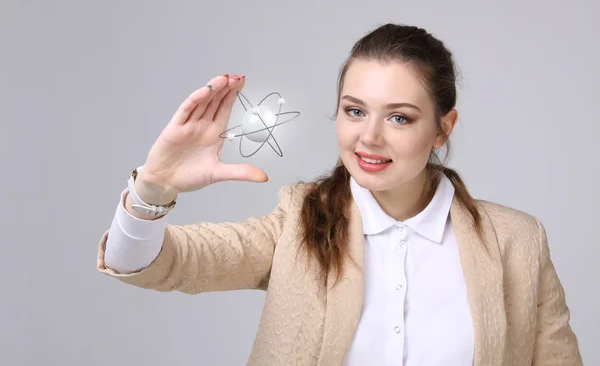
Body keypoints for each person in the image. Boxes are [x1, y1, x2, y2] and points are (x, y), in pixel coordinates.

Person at [96, 23, 583, 365]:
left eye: (399, 117)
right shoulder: (298, 221)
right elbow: (156, 263)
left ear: (443, 127)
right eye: (354, 111)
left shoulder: (517, 240)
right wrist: (153, 189)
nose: (368, 137)